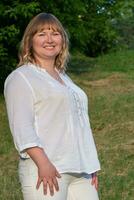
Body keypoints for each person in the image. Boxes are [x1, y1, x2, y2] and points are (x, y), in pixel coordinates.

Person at [4, 13, 101, 200]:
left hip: (80, 171)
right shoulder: (21, 77)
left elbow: (80, 125)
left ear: (62, 41)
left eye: (55, 34)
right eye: (41, 34)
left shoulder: (65, 78)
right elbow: (22, 127)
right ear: (30, 41)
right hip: (47, 169)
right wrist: (43, 163)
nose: (49, 39)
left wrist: (90, 164)